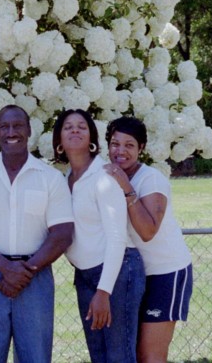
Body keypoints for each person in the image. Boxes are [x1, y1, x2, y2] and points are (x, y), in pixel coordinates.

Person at [0, 104, 75, 363]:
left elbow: (62, 233)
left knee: (35, 356)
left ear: (29, 131)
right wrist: (5, 267)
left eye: (17, 126)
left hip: (35, 276)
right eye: (5, 127)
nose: (11, 132)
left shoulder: (50, 178)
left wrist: (25, 271)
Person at [52, 109, 146, 363]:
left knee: (119, 357)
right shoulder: (63, 180)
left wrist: (104, 292)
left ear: (91, 136)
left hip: (116, 275)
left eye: (81, 126)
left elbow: (117, 238)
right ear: (59, 141)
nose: (75, 130)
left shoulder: (104, 177)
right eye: (68, 127)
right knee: (99, 356)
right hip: (84, 276)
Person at [104, 116, 193, 363]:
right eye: (115, 143)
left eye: (129, 145)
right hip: (133, 276)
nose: (120, 151)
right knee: (130, 352)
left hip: (166, 273)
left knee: (150, 355)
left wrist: (126, 188)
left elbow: (148, 231)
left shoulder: (151, 179)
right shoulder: (106, 176)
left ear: (141, 148)